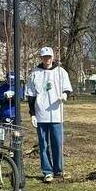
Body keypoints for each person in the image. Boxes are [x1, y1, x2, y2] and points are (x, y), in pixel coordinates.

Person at [26, 46, 72, 183]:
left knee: (57, 143)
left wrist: (64, 95)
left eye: (49, 57)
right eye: (44, 57)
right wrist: (32, 114)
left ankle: (59, 169)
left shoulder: (60, 71)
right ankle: (47, 171)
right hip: (41, 113)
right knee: (43, 144)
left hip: (56, 113)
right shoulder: (34, 73)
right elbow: (31, 95)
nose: (47, 59)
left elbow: (67, 88)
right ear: (41, 58)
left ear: (53, 57)